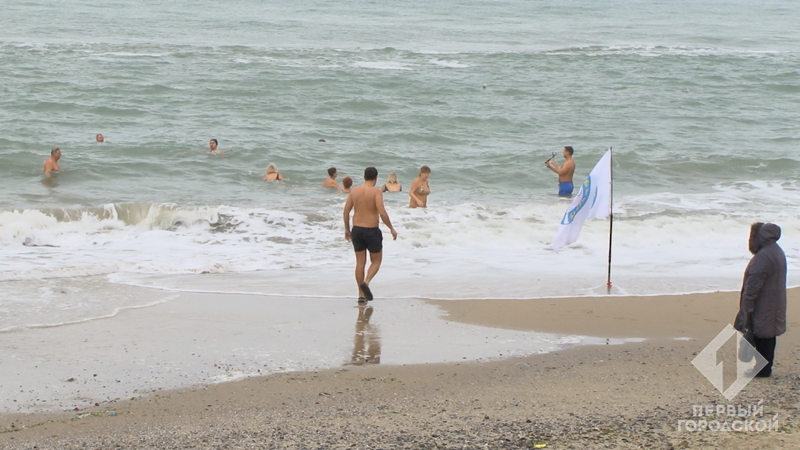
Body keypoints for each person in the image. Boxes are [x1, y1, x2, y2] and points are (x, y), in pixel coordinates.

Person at [734, 222, 787, 378]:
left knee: (761, 336)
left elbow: (752, 286)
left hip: (763, 305)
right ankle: (764, 368)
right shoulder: (776, 251)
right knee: (768, 337)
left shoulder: (763, 257)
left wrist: (746, 308)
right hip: (774, 303)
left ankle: (763, 370)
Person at [343, 167, 398, 302]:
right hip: (372, 230)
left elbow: (346, 212)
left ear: (364, 177)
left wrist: (347, 230)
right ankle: (366, 282)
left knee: (360, 262)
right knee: (376, 261)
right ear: (376, 178)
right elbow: (382, 212)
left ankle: (361, 295)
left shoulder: (354, 191)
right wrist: (391, 228)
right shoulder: (376, 192)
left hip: (357, 230)